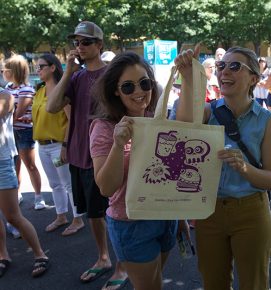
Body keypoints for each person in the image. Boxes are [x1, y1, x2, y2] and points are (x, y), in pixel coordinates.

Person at [175, 46, 271, 290]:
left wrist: (244, 168)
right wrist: (188, 76)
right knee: (214, 284)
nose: (225, 72)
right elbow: (182, 126)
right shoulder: (209, 111)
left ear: (253, 79)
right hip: (209, 213)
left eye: (235, 66)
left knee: (253, 284)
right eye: (222, 66)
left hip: (251, 213)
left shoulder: (268, 123)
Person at [89, 51, 183, 290]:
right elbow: (106, 187)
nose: (139, 92)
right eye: (128, 87)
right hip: (131, 224)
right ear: (115, 91)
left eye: (144, 83)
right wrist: (119, 144)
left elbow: (169, 174)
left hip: (164, 216)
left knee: (156, 283)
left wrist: (180, 215)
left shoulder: (155, 119)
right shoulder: (104, 128)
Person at [46, 21, 127, 288]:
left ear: (100, 45)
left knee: (116, 212)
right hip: (80, 154)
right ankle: (103, 257)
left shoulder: (112, 76)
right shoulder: (77, 76)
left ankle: (122, 265)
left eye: (86, 42)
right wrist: (67, 70)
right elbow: (53, 107)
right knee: (93, 213)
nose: (80, 47)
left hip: (105, 154)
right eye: (77, 42)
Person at [31, 53, 85, 235]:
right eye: (37, 67)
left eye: (41, 66)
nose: (37, 70)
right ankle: (61, 215)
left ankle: (78, 219)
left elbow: (71, 120)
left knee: (68, 183)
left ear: (53, 67)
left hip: (57, 146)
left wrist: (65, 145)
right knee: (54, 183)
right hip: (42, 145)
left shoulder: (63, 91)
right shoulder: (39, 91)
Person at [0, 87, 49, 278]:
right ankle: (3, 256)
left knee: (13, 216)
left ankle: (40, 255)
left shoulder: (5, 96)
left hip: (2, 162)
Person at [2, 54, 44, 210]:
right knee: (15, 166)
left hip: (24, 132)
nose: (3, 72)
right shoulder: (8, 88)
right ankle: (17, 194)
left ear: (14, 71)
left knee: (30, 165)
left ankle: (39, 197)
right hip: (12, 132)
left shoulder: (26, 89)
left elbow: (17, 114)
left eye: (5, 69)